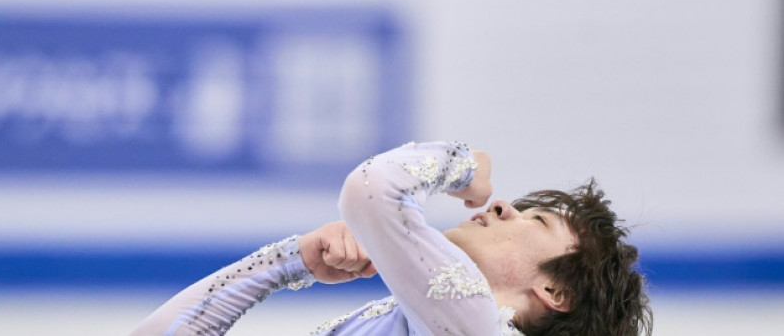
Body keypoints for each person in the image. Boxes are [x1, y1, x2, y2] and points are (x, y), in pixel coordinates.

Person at [132, 141, 652, 335]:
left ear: (556, 294)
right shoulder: (418, 322)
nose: (502, 206)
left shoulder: (475, 325)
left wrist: (466, 167)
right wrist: (290, 261)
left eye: (537, 222)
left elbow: (373, 188)